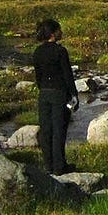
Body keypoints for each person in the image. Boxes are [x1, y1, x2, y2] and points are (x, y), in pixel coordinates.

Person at [32, 18, 78, 175]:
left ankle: (48, 165)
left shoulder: (37, 52)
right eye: (59, 29)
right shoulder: (60, 51)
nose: (61, 32)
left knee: (46, 130)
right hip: (59, 93)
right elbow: (67, 75)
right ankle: (60, 166)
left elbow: (38, 76)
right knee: (59, 129)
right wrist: (74, 95)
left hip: (44, 93)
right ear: (53, 33)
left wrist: (43, 89)